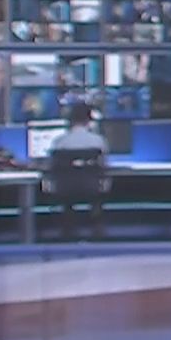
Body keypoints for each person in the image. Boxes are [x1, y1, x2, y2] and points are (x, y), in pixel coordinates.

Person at [47, 101, 110, 240]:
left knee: (67, 195)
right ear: (89, 120)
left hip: (65, 190)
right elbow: (104, 166)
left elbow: (52, 167)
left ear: (70, 120)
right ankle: (97, 228)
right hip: (92, 188)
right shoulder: (98, 141)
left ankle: (67, 229)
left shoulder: (59, 142)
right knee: (97, 195)